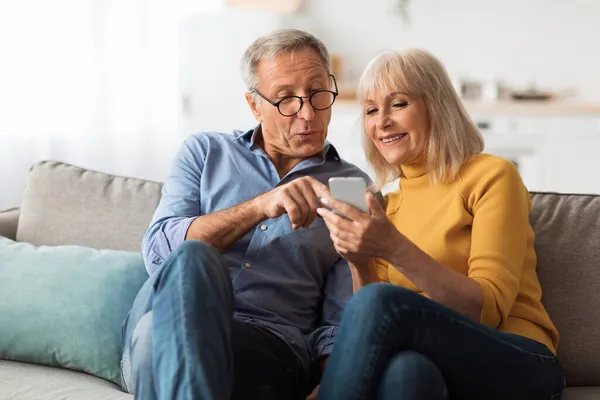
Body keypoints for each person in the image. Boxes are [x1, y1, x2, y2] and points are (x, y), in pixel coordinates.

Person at [119, 29, 371, 400]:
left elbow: (340, 312)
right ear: (255, 105)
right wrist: (261, 205)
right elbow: (159, 252)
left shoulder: (351, 186)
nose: (308, 113)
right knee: (192, 257)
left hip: (265, 344)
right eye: (286, 99)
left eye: (318, 93)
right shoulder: (204, 152)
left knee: (157, 340)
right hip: (165, 313)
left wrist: (329, 385)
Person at [314, 49, 565, 400]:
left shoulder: (491, 176)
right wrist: (360, 259)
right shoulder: (390, 206)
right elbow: (373, 322)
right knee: (407, 373)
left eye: (398, 104)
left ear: (436, 106)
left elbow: (487, 310)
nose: (381, 121)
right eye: (371, 110)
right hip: (439, 360)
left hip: (521, 357)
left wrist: (393, 247)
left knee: (383, 303)